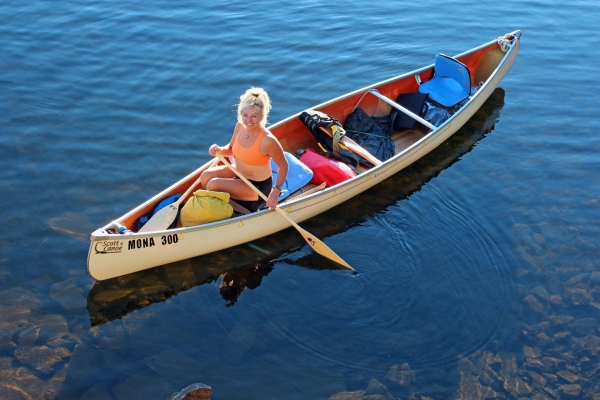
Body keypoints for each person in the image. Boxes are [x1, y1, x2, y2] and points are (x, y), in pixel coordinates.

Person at [201, 88, 288, 211]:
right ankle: (225, 201)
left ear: (262, 116)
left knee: (212, 184)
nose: (248, 120)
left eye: (254, 116)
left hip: (256, 186)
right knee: (205, 176)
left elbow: (283, 165)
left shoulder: (268, 140)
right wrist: (218, 150)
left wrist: (276, 191)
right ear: (240, 114)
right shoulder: (240, 127)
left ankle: (235, 208)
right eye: (245, 115)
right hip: (239, 173)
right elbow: (230, 149)